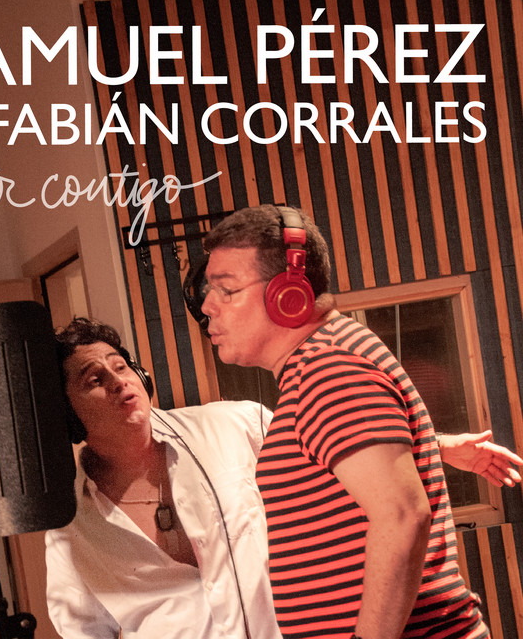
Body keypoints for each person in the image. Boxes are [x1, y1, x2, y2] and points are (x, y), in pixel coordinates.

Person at [45, 317, 522, 638]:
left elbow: (335, 442)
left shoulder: (232, 425)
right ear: (66, 413)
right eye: (94, 379)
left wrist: (437, 444)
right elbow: (84, 632)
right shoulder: (67, 528)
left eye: (121, 366)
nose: (119, 381)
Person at [200, 204, 519, 638]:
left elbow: (403, 516)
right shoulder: (323, 362)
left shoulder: (327, 369)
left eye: (226, 290)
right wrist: (436, 444)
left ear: (289, 295)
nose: (208, 306)